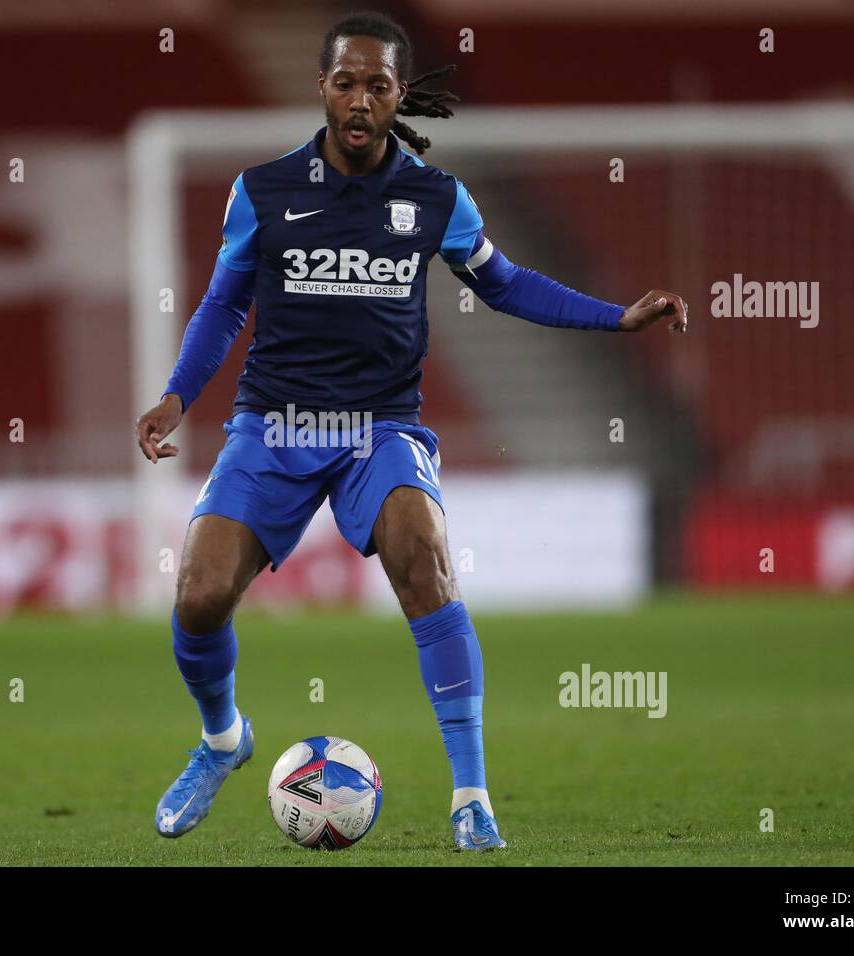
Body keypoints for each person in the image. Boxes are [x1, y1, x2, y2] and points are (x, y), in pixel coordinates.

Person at [135, 10, 688, 851]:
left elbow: (506, 284)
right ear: (321, 87)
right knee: (200, 595)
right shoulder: (263, 191)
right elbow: (222, 303)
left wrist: (617, 319)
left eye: (379, 85)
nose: (361, 100)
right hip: (274, 424)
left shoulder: (436, 198)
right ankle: (222, 742)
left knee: (425, 557)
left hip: (380, 428)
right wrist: (178, 396)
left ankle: (471, 796)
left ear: (400, 96)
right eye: (347, 82)